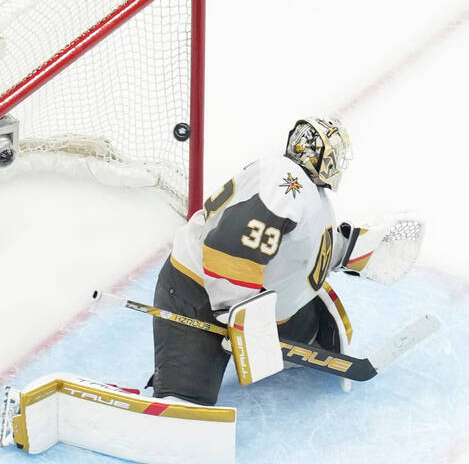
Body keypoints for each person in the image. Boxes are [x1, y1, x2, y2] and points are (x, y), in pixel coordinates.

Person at [148, 116, 361, 405]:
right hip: (198, 298)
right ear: (315, 154)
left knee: (300, 321)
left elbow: (303, 248)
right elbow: (230, 247)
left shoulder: (306, 190)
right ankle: (179, 385)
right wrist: (238, 313)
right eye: (334, 154)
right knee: (185, 399)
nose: (338, 162)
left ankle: (301, 333)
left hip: (261, 303)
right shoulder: (285, 183)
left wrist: (354, 249)